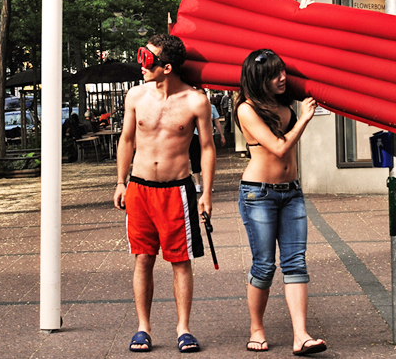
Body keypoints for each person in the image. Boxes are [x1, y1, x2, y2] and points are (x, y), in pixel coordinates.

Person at [113, 33, 215, 353]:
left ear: (167, 67)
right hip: (140, 187)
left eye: (147, 59)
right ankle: (143, 328)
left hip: (177, 190)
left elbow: (209, 148)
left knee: (180, 261)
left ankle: (183, 329)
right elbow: (126, 140)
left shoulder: (196, 101)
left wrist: (206, 193)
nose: (141, 64)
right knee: (143, 258)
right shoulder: (135, 96)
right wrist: (120, 182)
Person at [234, 49, 326, 356]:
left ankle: (300, 335)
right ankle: (256, 328)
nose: (283, 78)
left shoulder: (285, 103)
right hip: (258, 193)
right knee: (264, 265)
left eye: (283, 71)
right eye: (275, 74)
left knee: (296, 263)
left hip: (292, 193)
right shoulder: (247, 109)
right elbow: (276, 146)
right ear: (260, 79)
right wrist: (305, 119)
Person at [190, 93, 225, 193]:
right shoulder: (191, 107)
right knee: (195, 158)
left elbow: (217, 121)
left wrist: (222, 135)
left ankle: (207, 185)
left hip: (208, 135)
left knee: (208, 159)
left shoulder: (211, 107)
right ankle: (197, 183)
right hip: (194, 135)